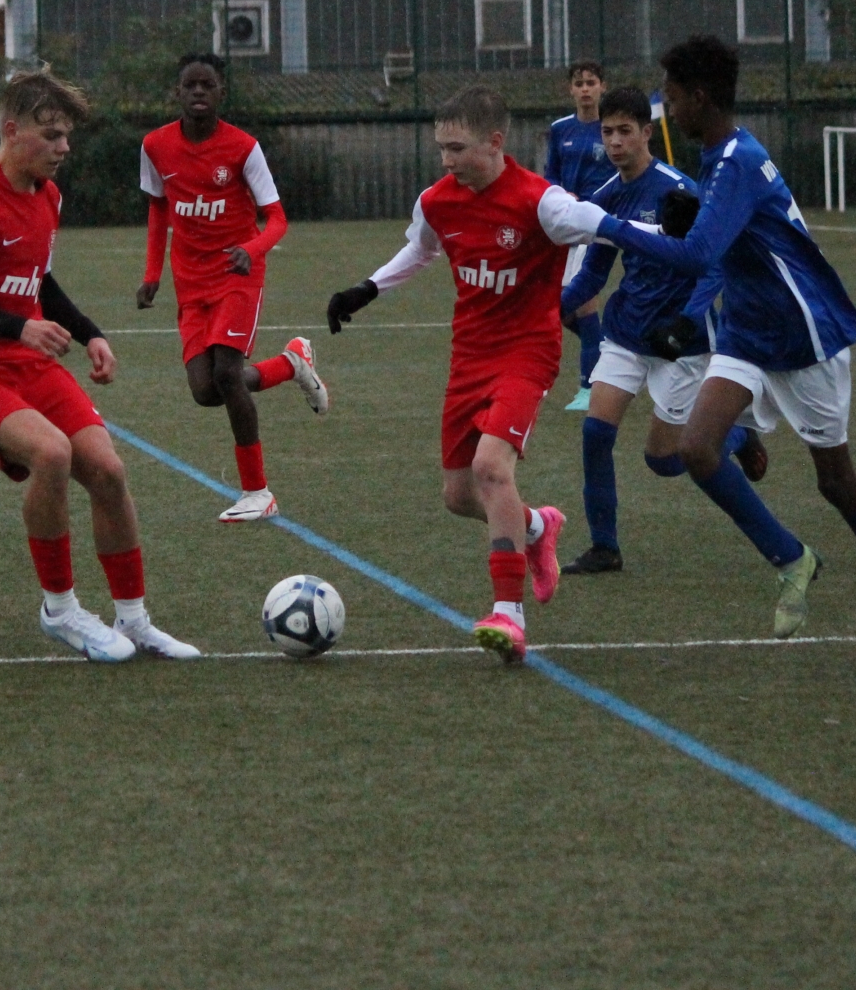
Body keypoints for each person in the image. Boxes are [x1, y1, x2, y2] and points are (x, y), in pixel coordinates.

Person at [581, 35, 856, 668]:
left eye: (672, 99)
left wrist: (608, 226)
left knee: (837, 483)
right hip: (747, 330)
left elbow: (698, 256)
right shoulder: (718, 157)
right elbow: (715, 237)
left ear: (699, 97)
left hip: (803, 334)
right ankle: (792, 558)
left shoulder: (737, 160)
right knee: (695, 448)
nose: (668, 112)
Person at [0, 69, 199, 663]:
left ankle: (135, 620)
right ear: (11, 130)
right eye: (51, 135)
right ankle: (60, 609)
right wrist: (19, 327)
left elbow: (40, 283)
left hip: (26, 362)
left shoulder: (48, 196)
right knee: (51, 454)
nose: (64, 147)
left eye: (67, 135)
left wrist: (90, 332)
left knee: (108, 470)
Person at [324, 86, 605, 666]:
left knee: (490, 468)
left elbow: (608, 226)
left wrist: (675, 236)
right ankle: (535, 527)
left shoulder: (541, 201)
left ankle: (509, 615)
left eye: (457, 148)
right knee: (458, 496)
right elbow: (420, 251)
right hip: (469, 355)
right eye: (441, 148)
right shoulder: (437, 202)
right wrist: (367, 289)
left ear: (495, 142)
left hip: (527, 352)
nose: (446, 159)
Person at [557, 86, 769, 576]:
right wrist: (549, 312)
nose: (615, 142)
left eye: (624, 131)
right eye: (607, 132)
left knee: (665, 460)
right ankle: (605, 547)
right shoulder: (606, 198)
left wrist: (688, 319)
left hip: (681, 343)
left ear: (646, 133)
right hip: (627, 332)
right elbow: (592, 275)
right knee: (595, 433)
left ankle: (738, 437)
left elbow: (713, 265)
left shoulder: (680, 191)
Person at [136, 53, 328, 524]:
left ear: (222, 93)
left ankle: (258, 491)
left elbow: (277, 218)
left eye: (208, 84)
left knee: (226, 371)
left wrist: (252, 248)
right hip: (190, 283)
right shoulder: (156, 146)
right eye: (191, 85)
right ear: (178, 93)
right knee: (205, 390)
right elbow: (158, 208)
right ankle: (290, 364)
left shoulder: (243, 148)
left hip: (237, 276)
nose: (199, 92)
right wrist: (152, 274)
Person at [546, 61, 611, 412]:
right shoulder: (560, 129)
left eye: (591, 82)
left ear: (602, 87)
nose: (585, 89)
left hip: (594, 224)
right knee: (563, 307)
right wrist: (559, 194)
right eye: (579, 83)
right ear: (571, 89)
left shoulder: (611, 128)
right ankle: (612, 350)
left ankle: (589, 388)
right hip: (564, 223)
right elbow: (550, 174)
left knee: (583, 302)